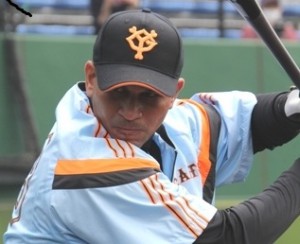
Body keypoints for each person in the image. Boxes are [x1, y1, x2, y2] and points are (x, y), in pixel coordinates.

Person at [3, 8, 300, 243]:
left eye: (149, 96)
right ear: (92, 79)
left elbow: (249, 122)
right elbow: (226, 238)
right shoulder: (85, 164)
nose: (131, 112)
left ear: (174, 93)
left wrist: (292, 105)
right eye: (119, 92)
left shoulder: (175, 123)